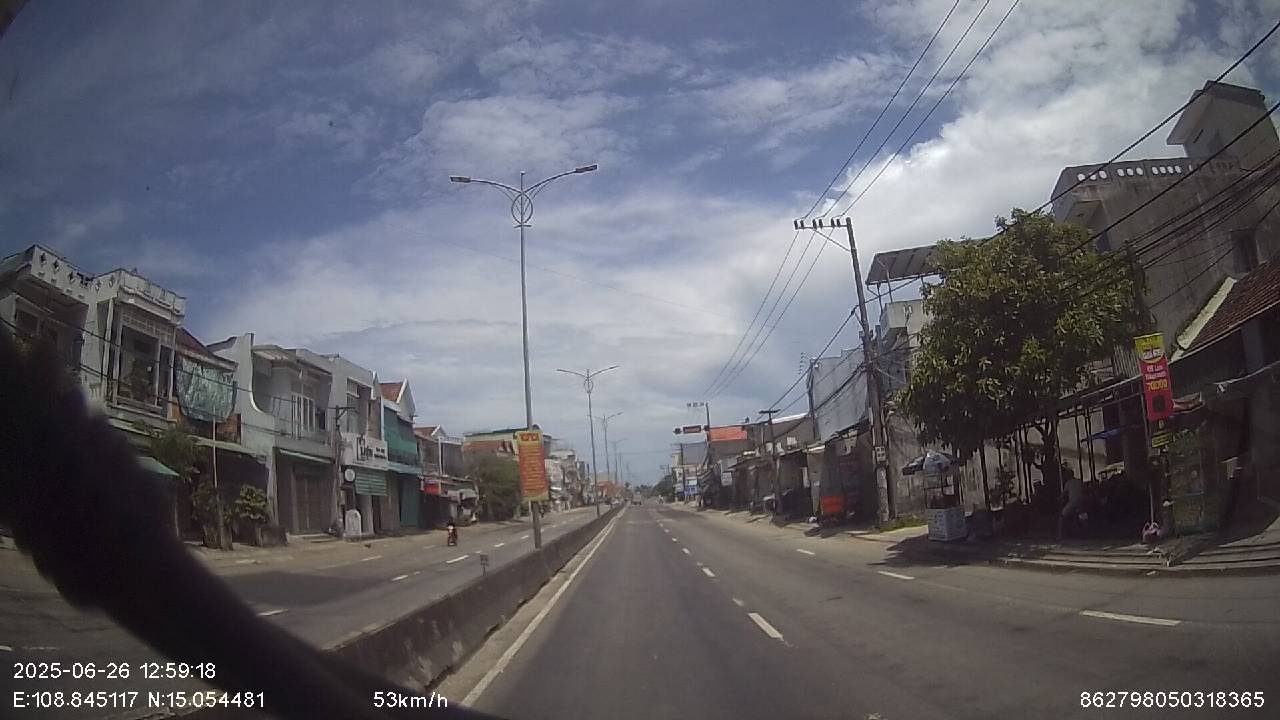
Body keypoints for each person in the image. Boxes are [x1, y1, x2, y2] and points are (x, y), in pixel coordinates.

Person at [1058, 464, 1085, 539]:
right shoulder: (1079, 481)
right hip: (1081, 502)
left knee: (1061, 517)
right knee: (1083, 516)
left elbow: (1064, 494)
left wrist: (1059, 498)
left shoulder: (1068, 483)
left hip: (1072, 503)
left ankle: (1060, 535)